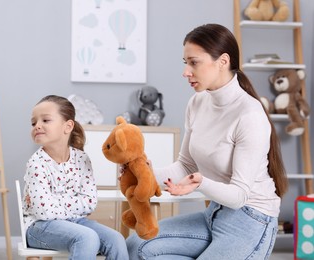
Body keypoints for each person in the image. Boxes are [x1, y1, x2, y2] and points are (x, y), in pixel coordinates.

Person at [126, 23, 288, 260]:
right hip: (215, 214)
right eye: (185, 63)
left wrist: (201, 183)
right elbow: (185, 166)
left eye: (194, 62)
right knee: (136, 245)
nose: (186, 72)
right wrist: (143, 172)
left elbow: (239, 195)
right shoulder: (197, 103)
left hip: (251, 219)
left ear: (223, 61)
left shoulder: (249, 115)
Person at [23, 95, 129, 260]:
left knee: (116, 239)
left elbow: (90, 203)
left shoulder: (82, 159)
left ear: (68, 126)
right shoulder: (36, 164)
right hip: (39, 227)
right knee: (87, 238)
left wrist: (55, 201)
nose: (37, 126)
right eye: (33, 122)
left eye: (45, 120)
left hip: (77, 222)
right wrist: (72, 202)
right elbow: (43, 212)